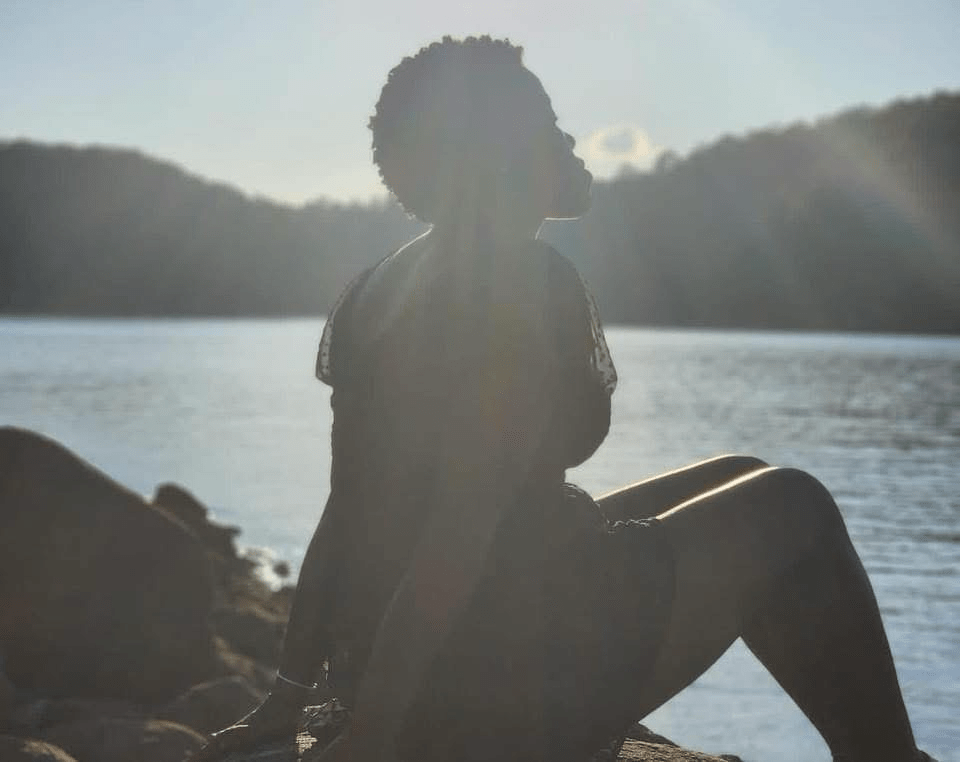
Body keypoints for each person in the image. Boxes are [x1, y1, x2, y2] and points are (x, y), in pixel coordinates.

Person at [196, 36, 935, 762]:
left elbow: (344, 508)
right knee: (794, 507)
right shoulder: (522, 282)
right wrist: (378, 740)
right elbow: (462, 522)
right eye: (548, 126)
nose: (571, 140)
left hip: (427, 651)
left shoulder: (379, 284)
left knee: (742, 470)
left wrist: (290, 695)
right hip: (497, 682)